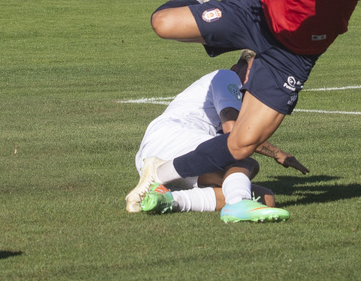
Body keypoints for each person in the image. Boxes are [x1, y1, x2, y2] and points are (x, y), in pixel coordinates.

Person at [133, 0, 361, 222]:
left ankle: (160, 174)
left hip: (294, 54)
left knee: (241, 145)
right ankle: (194, 2)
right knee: (163, 24)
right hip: (258, 14)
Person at [129, 49, 309, 221]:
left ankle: (168, 199)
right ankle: (160, 172)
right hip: (171, 137)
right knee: (244, 161)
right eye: (252, 71)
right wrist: (277, 153)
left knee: (265, 197)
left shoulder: (243, 97)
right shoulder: (227, 76)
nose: (253, 79)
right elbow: (233, 131)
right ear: (237, 67)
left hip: (176, 155)